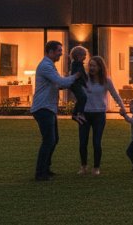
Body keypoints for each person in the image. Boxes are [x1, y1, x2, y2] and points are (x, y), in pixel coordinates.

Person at [30, 40, 81, 181]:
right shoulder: (46, 66)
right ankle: (40, 173)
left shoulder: (50, 65)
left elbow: (57, 85)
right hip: (43, 108)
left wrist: (67, 82)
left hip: (48, 108)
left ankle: (46, 168)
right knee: (49, 140)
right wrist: (76, 76)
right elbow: (61, 82)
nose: (61, 53)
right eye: (59, 51)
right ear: (50, 52)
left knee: (53, 139)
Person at [77, 55, 125, 175]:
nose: (91, 68)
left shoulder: (106, 80)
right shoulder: (84, 79)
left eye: (94, 65)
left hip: (99, 115)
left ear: (100, 67)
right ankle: (83, 166)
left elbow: (115, 94)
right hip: (84, 114)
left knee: (96, 142)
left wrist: (122, 106)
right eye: (90, 65)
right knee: (83, 142)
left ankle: (96, 167)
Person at [67, 46, 88, 125]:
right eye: (83, 55)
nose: (85, 57)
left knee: (81, 98)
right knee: (83, 97)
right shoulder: (77, 64)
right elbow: (81, 75)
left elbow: (83, 75)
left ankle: (76, 114)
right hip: (75, 84)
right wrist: (86, 84)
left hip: (77, 84)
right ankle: (79, 113)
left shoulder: (77, 64)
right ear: (78, 56)